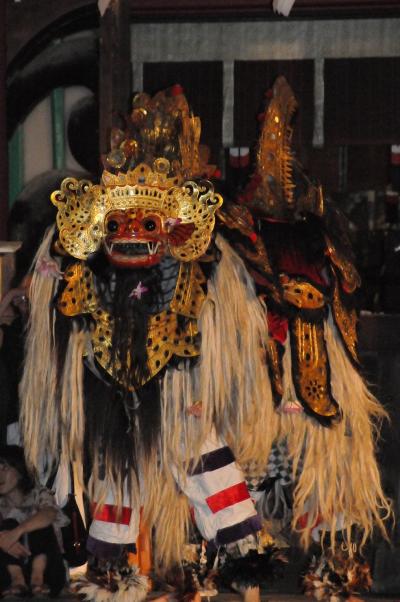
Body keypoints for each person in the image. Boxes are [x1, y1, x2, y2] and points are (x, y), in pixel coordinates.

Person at [0, 445, 68, 597]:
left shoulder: (39, 493)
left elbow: (50, 514)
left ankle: (37, 578)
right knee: (8, 524)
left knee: (39, 521)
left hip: (49, 574)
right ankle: (17, 580)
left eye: (4, 468)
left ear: (20, 472)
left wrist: (16, 533)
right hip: (7, 577)